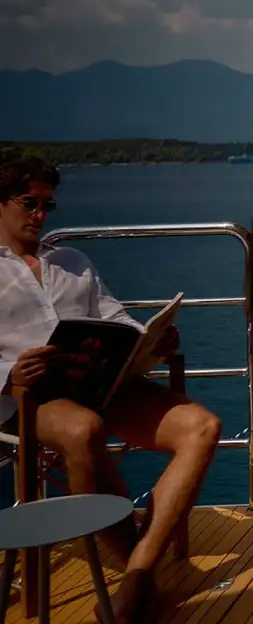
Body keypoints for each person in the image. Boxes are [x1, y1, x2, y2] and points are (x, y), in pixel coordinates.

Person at [0, 154, 222, 623]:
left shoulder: (73, 262)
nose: (40, 214)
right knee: (83, 428)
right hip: (30, 396)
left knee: (202, 426)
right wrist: (10, 372)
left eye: (47, 205)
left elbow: (115, 319)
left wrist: (149, 341)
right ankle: (137, 576)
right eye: (28, 202)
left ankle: (138, 574)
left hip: (99, 384)